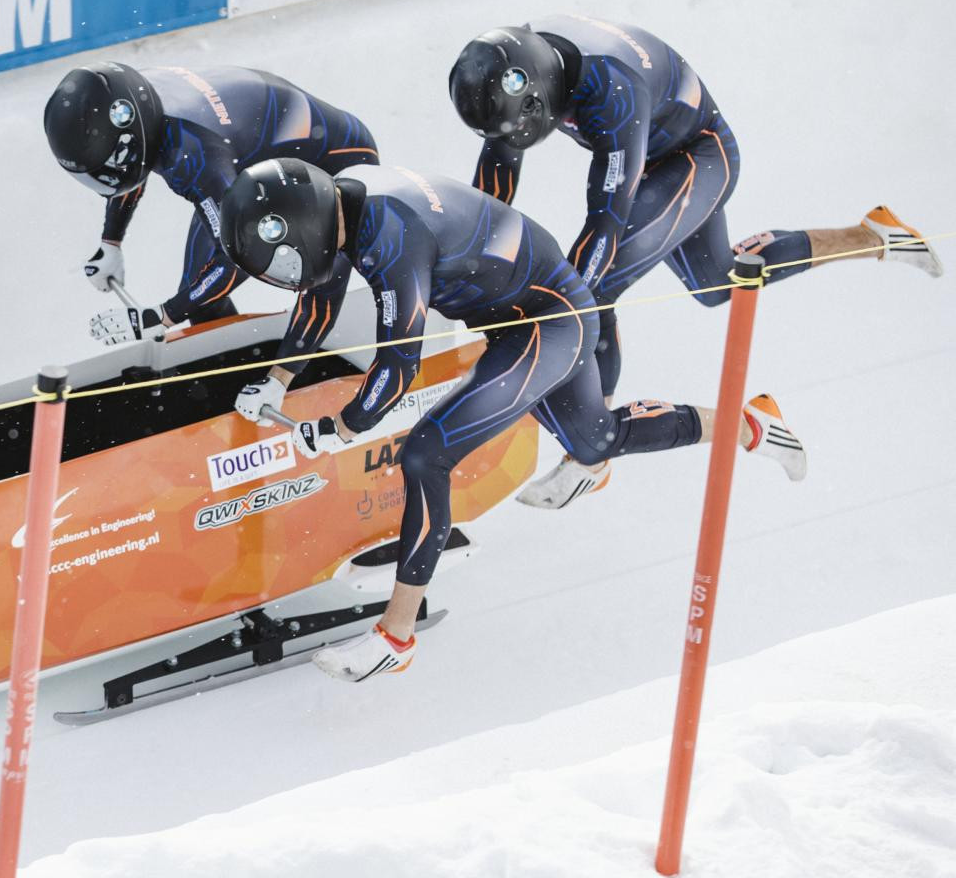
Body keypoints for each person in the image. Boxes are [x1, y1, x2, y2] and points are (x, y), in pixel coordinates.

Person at [217, 160, 807, 684]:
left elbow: (398, 364)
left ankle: (395, 638)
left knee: (426, 454)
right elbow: (321, 294)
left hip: (548, 321)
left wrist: (341, 428)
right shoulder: (348, 200)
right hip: (531, 312)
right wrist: (278, 378)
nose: (289, 275)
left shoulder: (392, 235)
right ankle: (752, 424)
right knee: (597, 438)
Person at [449, 17, 941, 508]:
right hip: (659, 144)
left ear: (539, 93)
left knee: (587, 289)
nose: (518, 138)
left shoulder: (610, 91)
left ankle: (590, 458)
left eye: (524, 129)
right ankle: (874, 236)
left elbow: (606, 222)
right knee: (717, 282)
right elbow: (491, 196)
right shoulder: (520, 68)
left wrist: (554, 309)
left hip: (699, 154)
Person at [43, 62, 380, 422]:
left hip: (335, 164)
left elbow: (236, 258)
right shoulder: (137, 101)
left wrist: (162, 316)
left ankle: (283, 382)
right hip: (249, 162)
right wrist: (112, 240)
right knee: (199, 295)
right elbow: (130, 164)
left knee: (316, 278)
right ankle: (235, 386)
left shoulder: (193, 154)